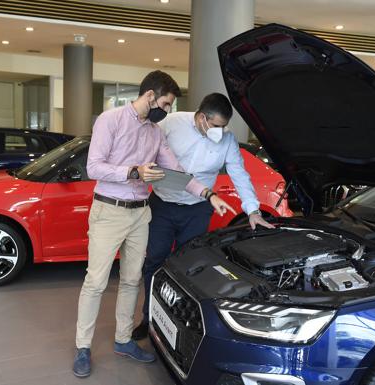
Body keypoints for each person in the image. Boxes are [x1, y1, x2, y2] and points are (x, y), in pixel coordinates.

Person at [73, 72, 235, 378]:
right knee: (95, 282)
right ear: (150, 96)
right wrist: (134, 172)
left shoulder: (155, 132)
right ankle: (83, 346)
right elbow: (94, 167)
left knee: (132, 280)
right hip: (109, 210)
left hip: (140, 213)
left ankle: (123, 340)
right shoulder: (111, 120)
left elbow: (175, 171)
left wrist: (208, 194)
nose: (168, 110)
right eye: (165, 103)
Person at [132, 92, 275, 340]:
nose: (220, 131)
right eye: (216, 125)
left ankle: (179, 321)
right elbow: (146, 149)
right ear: (201, 117)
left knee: (190, 267)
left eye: (224, 126)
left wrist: (252, 210)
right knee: (155, 261)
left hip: (198, 209)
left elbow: (239, 173)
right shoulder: (172, 123)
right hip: (163, 206)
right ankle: (149, 316)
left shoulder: (227, 140)